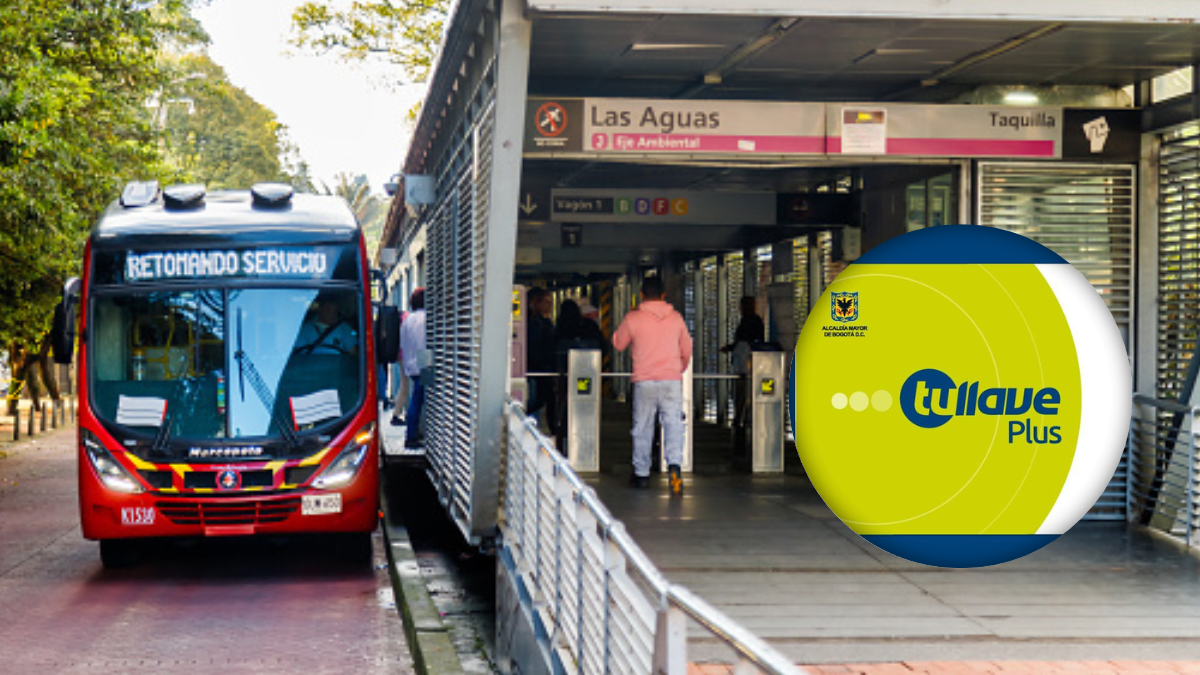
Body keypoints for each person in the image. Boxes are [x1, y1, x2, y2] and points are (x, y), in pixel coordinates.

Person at [612, 275, 692, 495]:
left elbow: (618, 344)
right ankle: (674, 467)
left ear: (642, 295)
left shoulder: (633, 318)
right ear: (664, 295)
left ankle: (641, 475)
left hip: (644, 381)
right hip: (671, 380)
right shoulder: (676, 318)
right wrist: (678, 369)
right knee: (673, 424)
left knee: (642, 427)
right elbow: (687, 348)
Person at [553, 299, 609, 447]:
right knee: (586, 403)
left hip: (565, 374)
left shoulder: (561, 327)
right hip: (587, 372)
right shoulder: (589, 325)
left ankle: (562, 438)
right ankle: (586, 439)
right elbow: (603, 346)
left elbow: (551, 349)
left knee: (564, 406)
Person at [721, 296, 765, 434]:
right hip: (750, 364)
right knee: (746, 393)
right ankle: (744, 420)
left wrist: (731, 348)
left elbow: (743, 343)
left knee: (741, 393)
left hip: (743, 365)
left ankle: (740, 421)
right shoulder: (756, 322)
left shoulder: (747, 322)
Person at [525, 287, 557, 433]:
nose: (549, 305)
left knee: (542, 400)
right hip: (538, 370)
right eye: (546, 302)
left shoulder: (545, 322)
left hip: (542, 369)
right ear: (536, 303)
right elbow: (536, 347)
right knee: (537, 400)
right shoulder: (536, 323)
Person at [400, 288, 426, 448]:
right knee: (421, 400)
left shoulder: (408, 320)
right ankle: (411, 437)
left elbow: (404, 343)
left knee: (416, 397)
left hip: (411, 362)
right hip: (425, 359)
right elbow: (425, 342)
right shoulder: (426, 318)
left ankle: (414, 433)